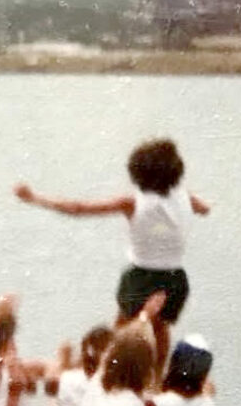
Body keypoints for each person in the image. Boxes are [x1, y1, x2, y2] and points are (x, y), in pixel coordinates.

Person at [13, 139, 209, 370]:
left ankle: (105, 372)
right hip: (176, 278)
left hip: (142, 277)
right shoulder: (187, 197)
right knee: (160, 328)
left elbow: (78, 208)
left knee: (121, 333)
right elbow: (204, 209)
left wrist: (35, 198)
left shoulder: (133, 202)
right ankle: (155, 378)